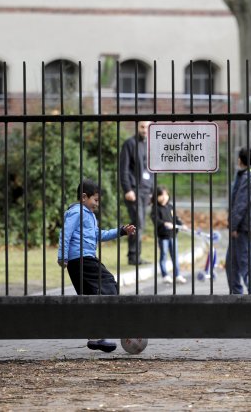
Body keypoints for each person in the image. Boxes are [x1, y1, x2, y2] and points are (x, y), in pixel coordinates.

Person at [58, 178, 137, 353]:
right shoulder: (77, 212)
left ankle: (95, 338)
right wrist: (62, 255)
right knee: (108, 282)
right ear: (84, 197)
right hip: (82, 259)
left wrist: (121, 231)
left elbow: (98, 235)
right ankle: (109, 324)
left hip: (79, 261)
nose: (97, 204)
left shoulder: (89, 215)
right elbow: (65, 233)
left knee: (89, 297)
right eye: (95, 199)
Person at [226, 147, 251, 295]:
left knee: (245, 259)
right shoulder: (250, 175)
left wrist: (234, 226)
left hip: (242, 226)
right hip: (243, 224)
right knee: (232, 263)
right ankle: (236, 292)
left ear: (239, 161)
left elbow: (241, 204)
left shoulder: (247, 178)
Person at [119, 120, 153, 265]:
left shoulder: (151, 145)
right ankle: (134, 256)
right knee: (138, 222)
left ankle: (134, 256)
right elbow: (124, 169)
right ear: (138, 127)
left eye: (148, 127)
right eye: (142, 127)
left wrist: (152, 190)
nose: (145, 130)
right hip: (134, 190)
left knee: (140, 223)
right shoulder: (129, 144)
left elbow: (154, 169)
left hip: (146, 190)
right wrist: (127, 189)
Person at [150, 186, 188, 285]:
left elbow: (176, 218)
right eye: (161, 195)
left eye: (166, 195)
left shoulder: (170, 207)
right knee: (163, 255)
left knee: (174, 256)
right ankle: (165, 275)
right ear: (156, 197)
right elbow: (156, 220)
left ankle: (177, 275)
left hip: (172, 235)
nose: (164, 197)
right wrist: (164, 224)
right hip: (163, 237)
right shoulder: (155, 208)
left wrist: (181, 224)